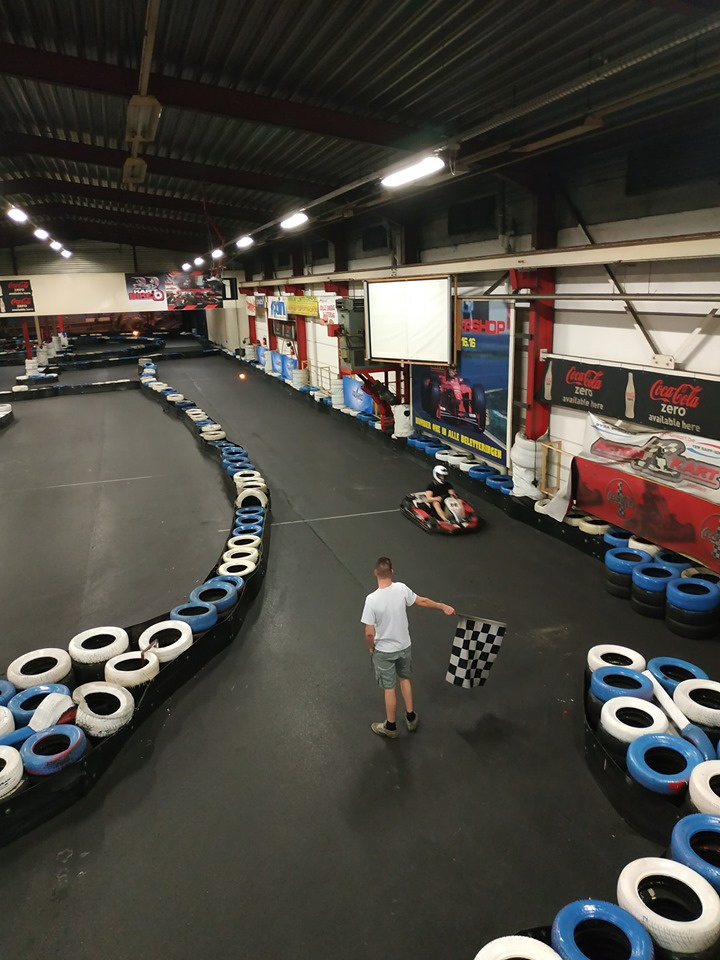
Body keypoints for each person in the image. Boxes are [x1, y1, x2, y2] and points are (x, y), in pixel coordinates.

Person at [361, 556, 455, 739]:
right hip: (404, 646)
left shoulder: (371, 600)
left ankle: (390, 726)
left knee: (389, 688)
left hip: (384, 651)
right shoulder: (401, 589)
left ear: (375, 573)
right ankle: (411, 717)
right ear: (392, 572)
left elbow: (369, 632)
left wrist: (371, 648)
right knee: (404, 679)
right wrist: (443, 606)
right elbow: (423, 601)